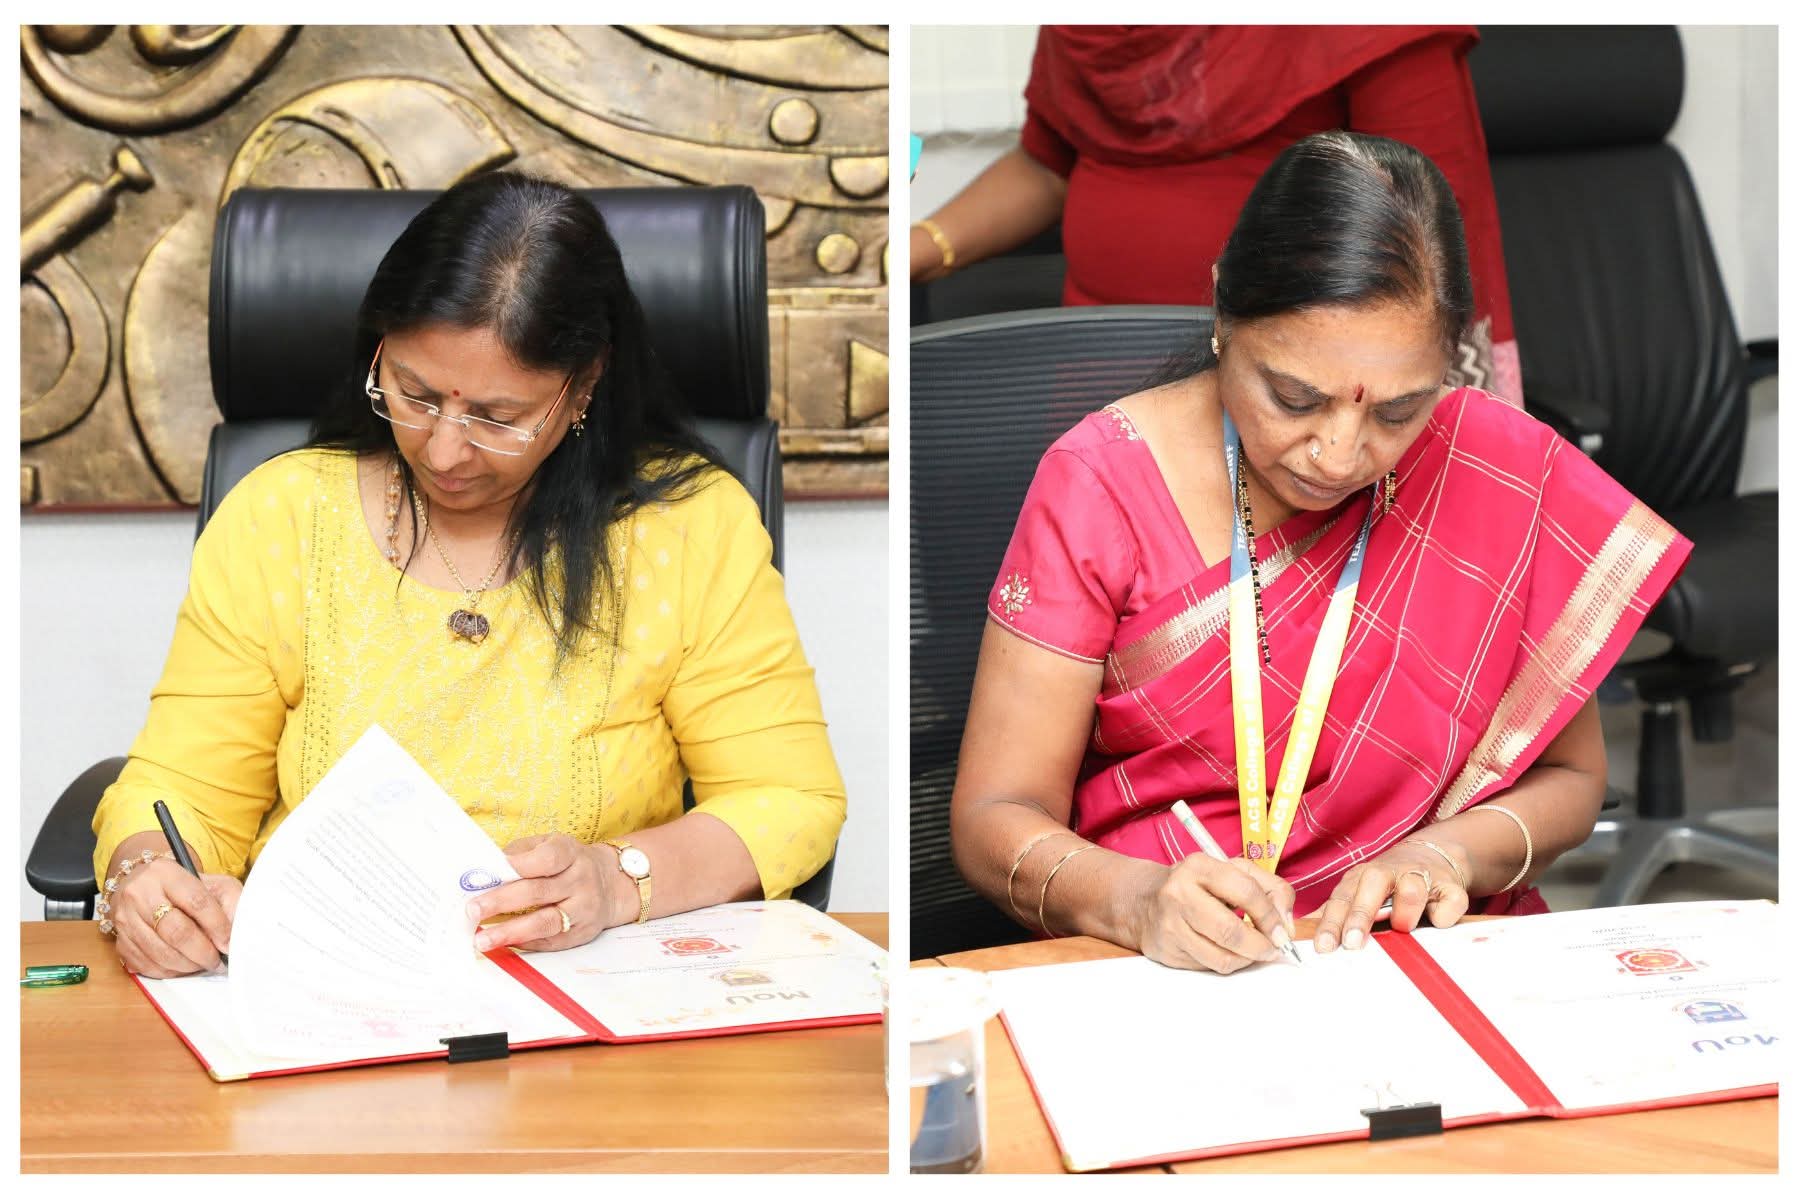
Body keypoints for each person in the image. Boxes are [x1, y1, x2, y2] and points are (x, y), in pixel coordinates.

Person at [950, 132, 1690, 973]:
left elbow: (1572, 779)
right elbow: (992, 815)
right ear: (1224, 309)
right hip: (1167, 968)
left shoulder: (1494, 468)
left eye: (1397, 412)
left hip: (1417, 953)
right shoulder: (1102, 484)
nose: (1338, 456)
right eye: (1294, 398)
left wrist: (1447, 854)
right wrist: (1137, 899)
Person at [92, 172, 845, 978]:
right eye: (414, 394)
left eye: (497, 417)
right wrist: (146, 878)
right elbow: (182, 788)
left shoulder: (687, 529)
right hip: (325, 986)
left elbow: (788, 798)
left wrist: (616, 880)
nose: (445, 451)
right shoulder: (281, 517)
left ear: (584, 385)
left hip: (587, 988)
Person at [912, 26, 1521, 401]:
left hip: (1289, 392)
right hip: (1096, 373)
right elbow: (1047, 166)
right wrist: (918, 245)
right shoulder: (1086, 26)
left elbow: (1422, 219)